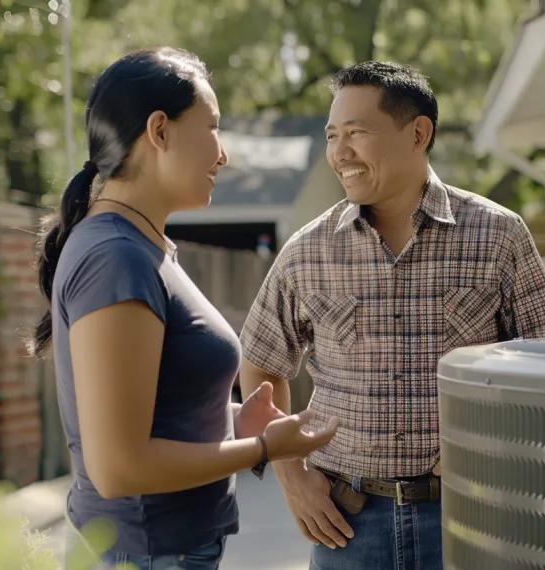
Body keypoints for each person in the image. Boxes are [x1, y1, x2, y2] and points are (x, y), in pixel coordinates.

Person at [238, 61, 545, 569]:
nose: (339, 153)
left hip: (473, 516)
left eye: (357, 133)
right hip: (347, 527)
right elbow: (262, 365)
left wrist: (498, 443)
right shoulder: (307, 252)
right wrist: (293, 478)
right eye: (333, 135)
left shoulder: (497, 237)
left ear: (418, 133)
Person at [31, 47, 338, 569]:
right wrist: (264, 449)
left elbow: (154, 416)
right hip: (146, 553)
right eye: (213, 127)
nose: (223, 155)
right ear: (159, 130)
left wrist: (230, 420)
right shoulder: (116, 257)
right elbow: (118, 467)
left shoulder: (142, 248)